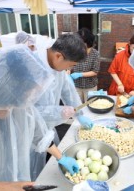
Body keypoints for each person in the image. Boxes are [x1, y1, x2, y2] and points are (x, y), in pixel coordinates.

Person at [0, 45, 79, 191]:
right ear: (11, 87)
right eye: (30, 92)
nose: (32, 98)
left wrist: (61, 158)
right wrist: (9, 187)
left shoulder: (22, 108)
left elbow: (40, 136)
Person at [33, 33, 94, 178]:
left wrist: (79, 115)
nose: (70, 69)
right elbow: (28, 114)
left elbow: (69, 92)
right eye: (71, 65)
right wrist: (58, 112)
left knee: (47, 168)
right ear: (59, 56)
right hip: (27, 134)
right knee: (32, 173)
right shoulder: (32, 69)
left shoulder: (57, 67)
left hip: (46, 129)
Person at [70, 28, 100, 102]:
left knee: (90, 106)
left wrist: (80, 74)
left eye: (86, 47)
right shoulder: (74, 51)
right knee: (77, 106)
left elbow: (95, 71)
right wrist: (68, 72)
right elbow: (69, 65)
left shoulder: (95, 54)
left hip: (90, 86)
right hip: (76, 86)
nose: (84, 50)